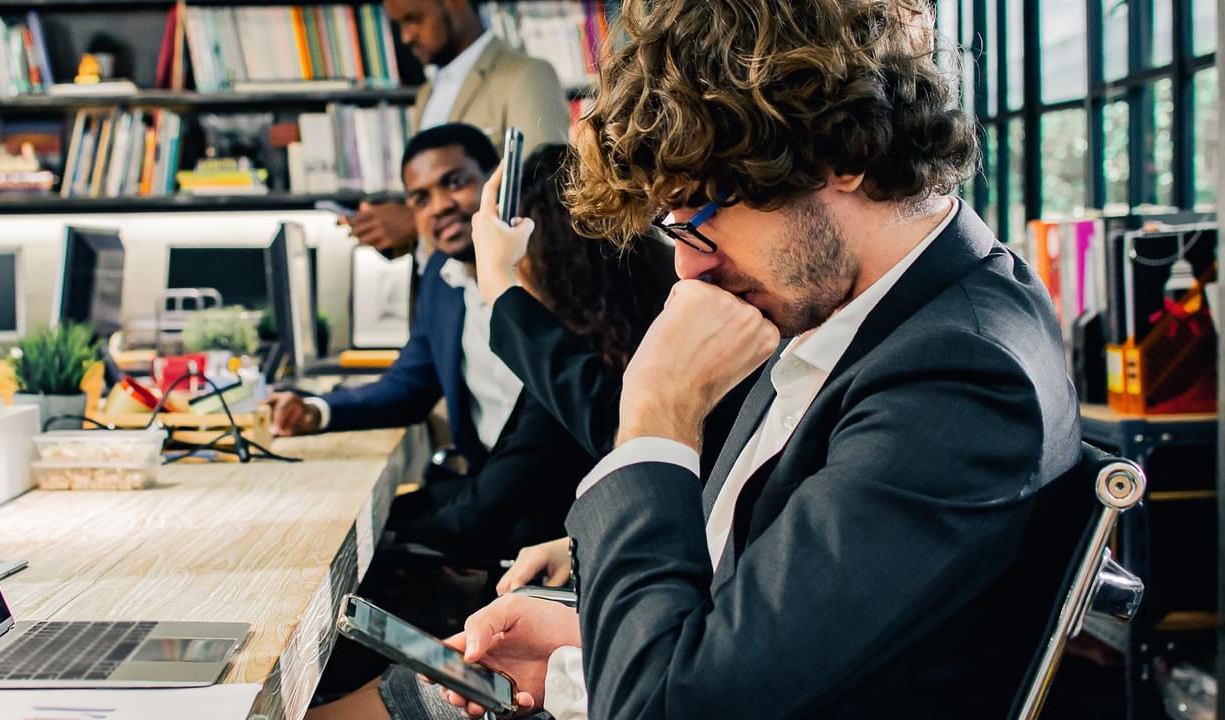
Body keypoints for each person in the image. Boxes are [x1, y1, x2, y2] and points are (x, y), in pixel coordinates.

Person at [437, 0, 1083, 717]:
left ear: (844, 154)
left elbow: (668, 708)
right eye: (670, 231)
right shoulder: (854, 311)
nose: (685, 270)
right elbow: (765, 628)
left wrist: (657, 411)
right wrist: (593, 640)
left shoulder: (960, 377)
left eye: (698, 221)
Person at [306, 143, 676, 720]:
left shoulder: (585, 361)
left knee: (386, 682)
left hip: (569, 612)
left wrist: (502, 288)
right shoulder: (590, 340)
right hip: (567, 584)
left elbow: (593, 453)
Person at [343, 0, 572, 259]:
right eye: (400, 25)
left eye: (413, 19)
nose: (405, 37)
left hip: (494, 283)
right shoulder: (426, 95)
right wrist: (389, 229)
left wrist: (414, 221)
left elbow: (545, 199)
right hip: (436, 286)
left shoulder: (527, 75)